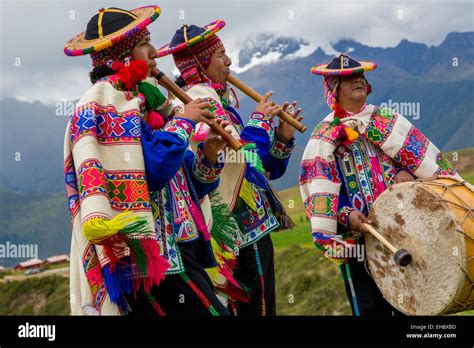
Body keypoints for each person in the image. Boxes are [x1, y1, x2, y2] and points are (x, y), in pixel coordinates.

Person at [64, 5, 230, 316]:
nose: (154, 53)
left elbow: (186, 185)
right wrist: (184, 121)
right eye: (144, 44)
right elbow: (154, 172)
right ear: (123, 56)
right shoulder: (105, 104)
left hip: (180, 248)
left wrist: (207, 155)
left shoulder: (146, 102)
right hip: (149, 262)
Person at [157, 21, 303, 316]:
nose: (229, 61)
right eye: (221, 55)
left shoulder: (216, 101)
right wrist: (260, 121)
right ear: (200, 62)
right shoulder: (198, 102)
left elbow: (264, 173)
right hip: (236, 235)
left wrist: (282, 139)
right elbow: (239, 160)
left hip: (249, 231)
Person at [299, 54, 460, 316]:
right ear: (333, 90)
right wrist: (346, 212)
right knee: (370, 307)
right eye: (348, 79)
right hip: (360, 241)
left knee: (415, 303)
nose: (358, 80)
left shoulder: (388, 121)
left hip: (406, 231)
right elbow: (320, 188)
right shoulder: (324, 137)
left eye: (360, 76)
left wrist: (405, 172)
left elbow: (421, 161)